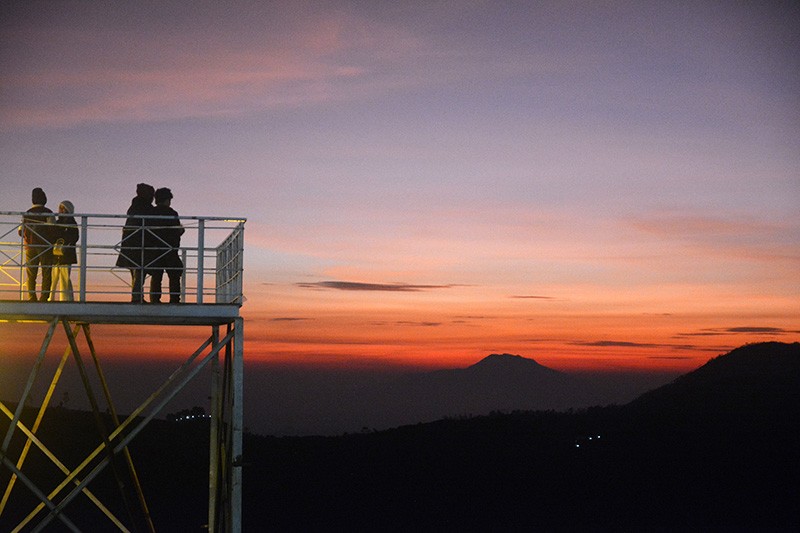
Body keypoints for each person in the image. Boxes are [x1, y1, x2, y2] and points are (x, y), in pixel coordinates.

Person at [116, 183, 155, 303]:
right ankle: (137, 297)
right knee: (139, 271)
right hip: (139, 244)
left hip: (130, 244)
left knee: (136, 272)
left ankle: (137, 296)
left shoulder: (134, 206)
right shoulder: (145, 208)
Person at [149, 187, 185, 303]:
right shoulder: (172, 213)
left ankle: (155, 299)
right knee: (174, 274)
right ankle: (174, 299)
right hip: (170, 249)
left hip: (155, 249)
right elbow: (177, 230)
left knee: (156, 275)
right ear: (167, 200)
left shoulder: (151, 212)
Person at [19, 187, 55, 302]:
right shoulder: (48, 212)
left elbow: (20, 231)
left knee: (31, 274)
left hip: (30, 247)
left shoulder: (27, 213)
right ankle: (44, 297)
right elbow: (53, 229)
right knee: (46, 272)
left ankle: (31, 297)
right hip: (45, 247)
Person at [50, 200, 80, 301]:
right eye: (60, 208)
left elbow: (74, 237)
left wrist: (64, 244)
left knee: (64, 278)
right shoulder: (58, 222)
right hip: (56, 254)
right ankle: (51, 298)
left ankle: (66, 299)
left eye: (63, 208)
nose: (61, 210)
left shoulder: (72, 223)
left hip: (66, 254)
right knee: (53, 278)